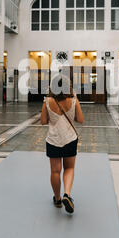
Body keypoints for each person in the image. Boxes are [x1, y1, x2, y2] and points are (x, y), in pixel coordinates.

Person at [40, 75, 84, 214]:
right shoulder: (73, 100)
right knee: (69, 168)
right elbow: (81, 119)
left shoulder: (47, 101)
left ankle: (58, 199)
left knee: (55, 171)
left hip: (53, 139)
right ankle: (67, 194)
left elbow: (43, 121)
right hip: (70, 138)